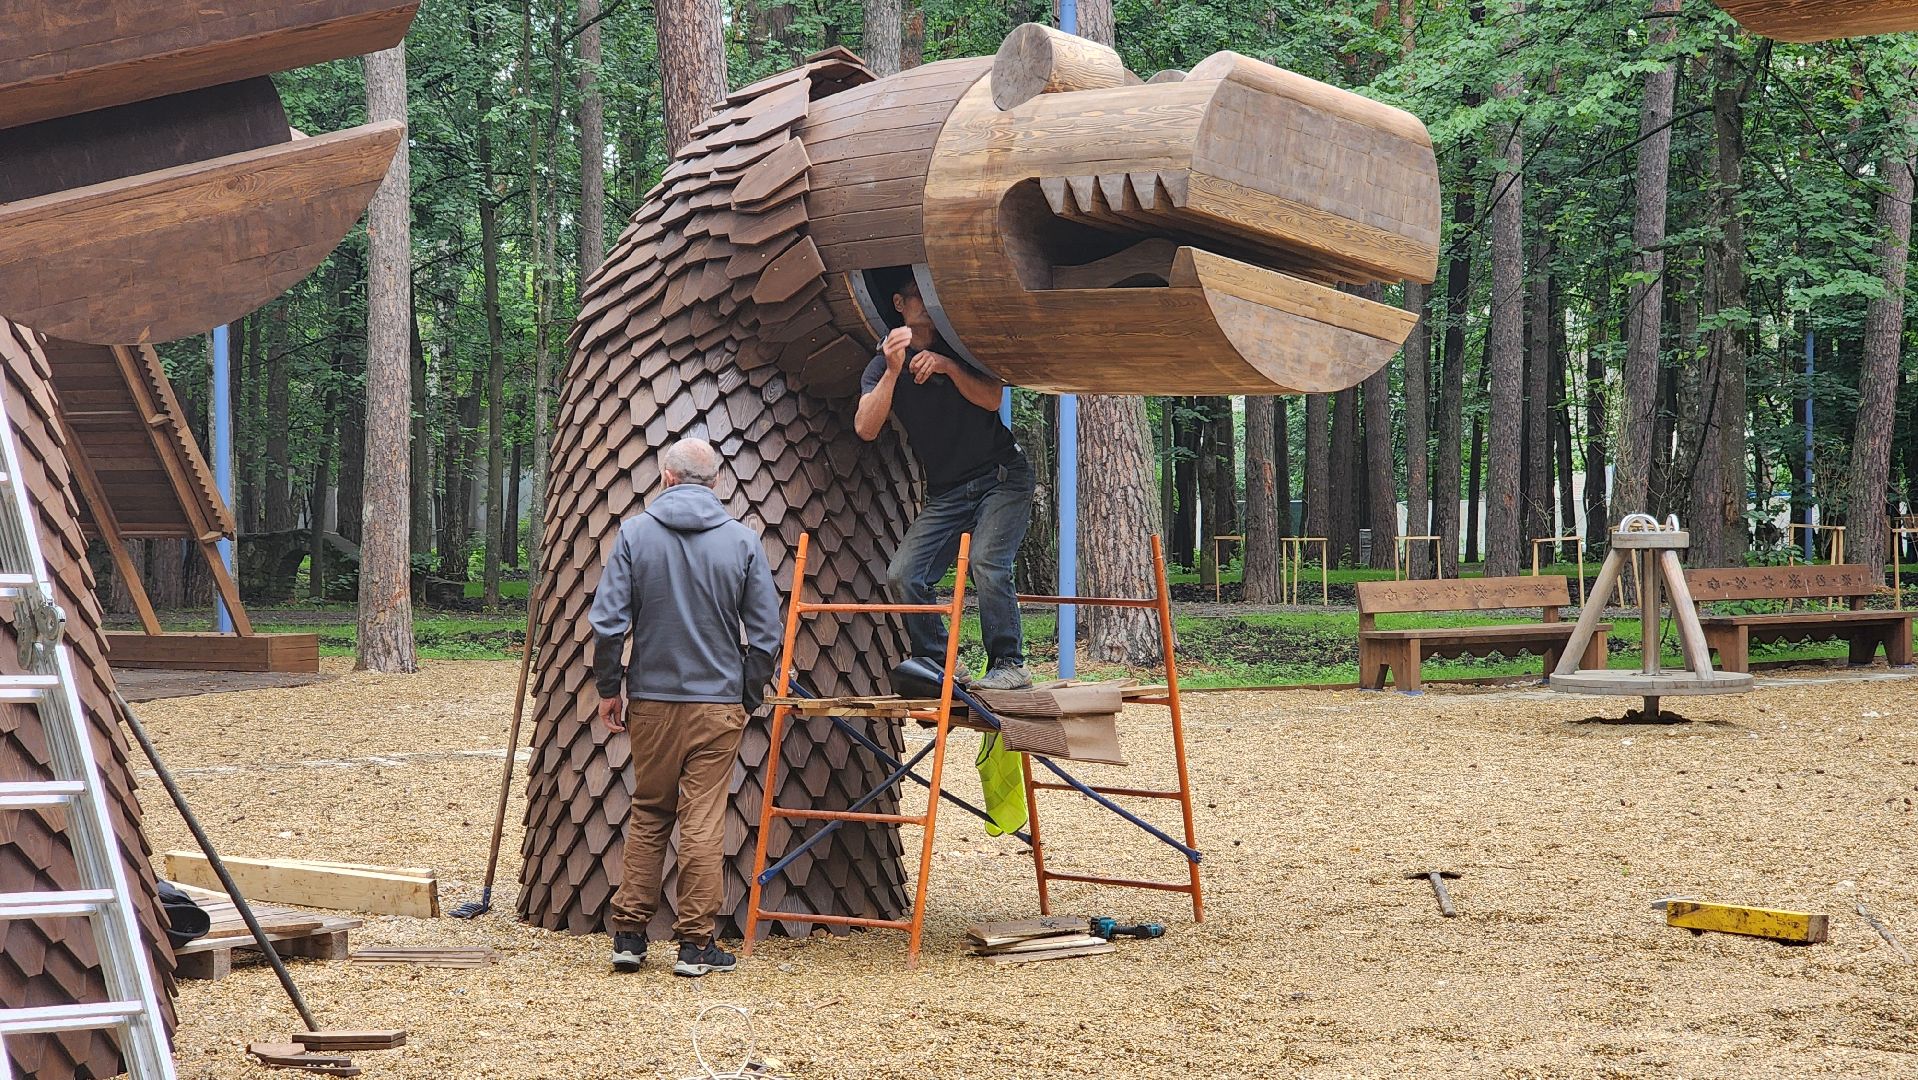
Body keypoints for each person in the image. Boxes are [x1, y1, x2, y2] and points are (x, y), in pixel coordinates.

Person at [589, 438, 782, 977]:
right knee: (702, 817)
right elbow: (766, 634)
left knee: (651, 810)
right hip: (717, 704)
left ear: (666, 478)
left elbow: (608, 624)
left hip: (651, 700)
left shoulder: (634, 534)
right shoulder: (742, 541)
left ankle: (629, 936)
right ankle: (695, 946)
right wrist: (747, 694)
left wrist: (610, 688)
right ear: (715, 483)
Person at [855, 277, 1034, 691]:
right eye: (918, 293)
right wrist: (893, 371)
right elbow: (865, 427)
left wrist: (948, 367)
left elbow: (992, 398)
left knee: (986, 561)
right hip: (949, 492)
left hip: (1001, 476)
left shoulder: (959, 343)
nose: (929, 300)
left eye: (933, 291)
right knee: (904, 574)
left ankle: (1010, 664)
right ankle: (941, 664)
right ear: (898, 303)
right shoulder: (883, 362)